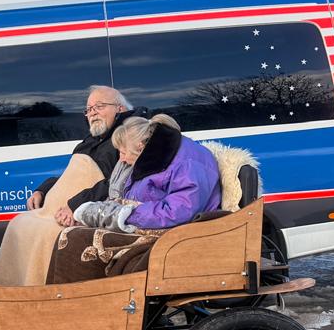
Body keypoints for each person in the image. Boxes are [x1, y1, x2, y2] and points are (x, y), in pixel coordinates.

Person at [72, 115, 222, 232]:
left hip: (186, 232)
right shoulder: (153, 157)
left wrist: (126, 214)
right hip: (159, 224)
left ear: (140, 146)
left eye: (123, 153)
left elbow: (177, 212)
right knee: (76, 233)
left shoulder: (187, 165)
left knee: (79, 242)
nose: (122, 160)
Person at [26, 85, 140, 222]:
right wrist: (42, 190)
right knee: (20, 224)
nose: (93, 113)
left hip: (92, 213)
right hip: (63, 210)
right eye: (89, 109)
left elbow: (120, 182)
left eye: (100, 106)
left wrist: (76, 205)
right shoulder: (87, 143)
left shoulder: (128, 138)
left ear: (120, 108)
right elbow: (68, 178)